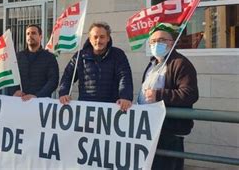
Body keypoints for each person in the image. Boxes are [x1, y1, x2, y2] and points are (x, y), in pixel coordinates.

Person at [138, 23, 199, 170]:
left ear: (172, 42)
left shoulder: (180, 63)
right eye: (153, 41)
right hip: (150, 128)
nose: (156, 44)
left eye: (162, 40)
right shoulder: (152, 64)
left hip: (169, 130)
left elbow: (190, 94)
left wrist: (159, 95)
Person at [59, 22, 133, 111]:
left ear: (108, 38)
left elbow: (125, 76)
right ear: (90, 39)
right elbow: (67, 76)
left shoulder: (118, 55)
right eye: (95, 37)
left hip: (111, 108)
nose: (98, 40)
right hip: (85, 108)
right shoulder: (80, 56)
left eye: (102, 37)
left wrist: (125, 96)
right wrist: (63, 93)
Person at [8, 24, 59, 101]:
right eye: (28, 34)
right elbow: (11, 77)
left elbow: (53, 81)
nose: (30, 36)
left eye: (33, 33)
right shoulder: (18, 57)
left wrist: (37, 96)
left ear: (40, 37)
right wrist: (14, 92)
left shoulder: (49, 58)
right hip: (20, 102)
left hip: (41, 103)